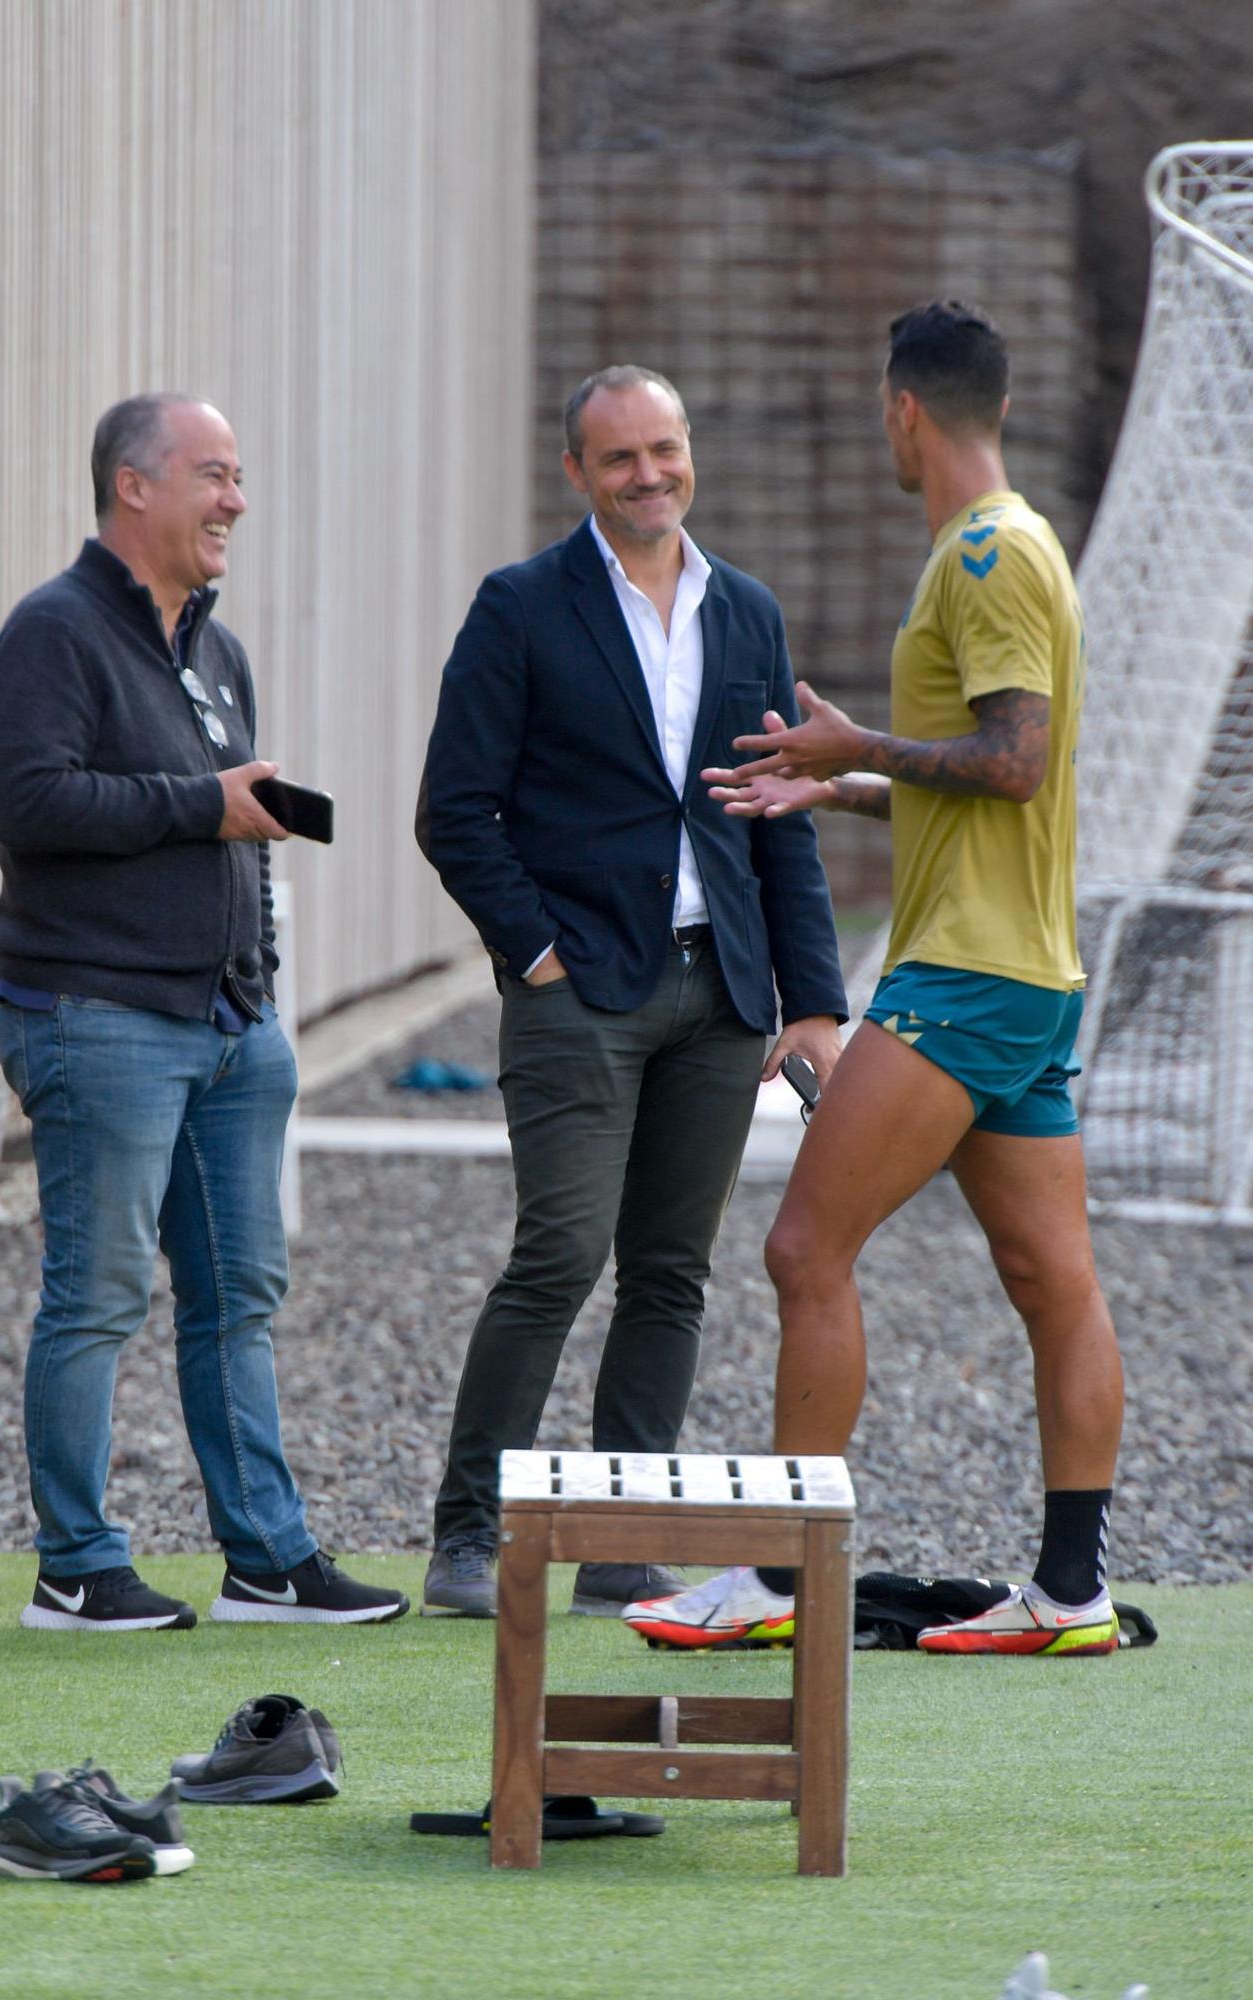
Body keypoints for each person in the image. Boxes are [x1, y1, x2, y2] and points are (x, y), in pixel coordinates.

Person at [628, 302, 1125, 1655]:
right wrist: (835, 782)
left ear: (902, 411)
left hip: (964, 978)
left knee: (804, 1249)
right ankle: (1069, 1594)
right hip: (1026, 978)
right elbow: (991, 792)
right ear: (997, 406)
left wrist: (862, 739)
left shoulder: (983, 555)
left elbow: (1010, 762)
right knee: (1050, 1280)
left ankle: (782, 1580)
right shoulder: (1007, 545)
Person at [416, 364, 848, 1617]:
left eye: (665, 449)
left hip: (719, 994)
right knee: (556, 1253)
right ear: (577, 473)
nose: (649, 474)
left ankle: (617, 1540)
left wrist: (809, 999)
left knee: (670, 1270)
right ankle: (465, 1533)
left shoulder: (746, 611)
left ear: (688, 450)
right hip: (577, 991)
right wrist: (533, 953)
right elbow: (454, 809)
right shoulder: (519, 608)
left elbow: (777, 821)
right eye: (620, 458)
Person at [0, 393, 408, 1632]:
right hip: (96, 1012)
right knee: (99, 1292)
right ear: (134, 485)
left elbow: (235, 824)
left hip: (227, 1024)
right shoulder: (51, 633)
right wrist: (198, 804)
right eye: (212, 475)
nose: (234, 500)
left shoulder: (216, 649)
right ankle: (76, 1566)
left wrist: (256, 978)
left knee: (238, 1296)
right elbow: (32, 802)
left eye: (237, 477)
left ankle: (266, 1559)